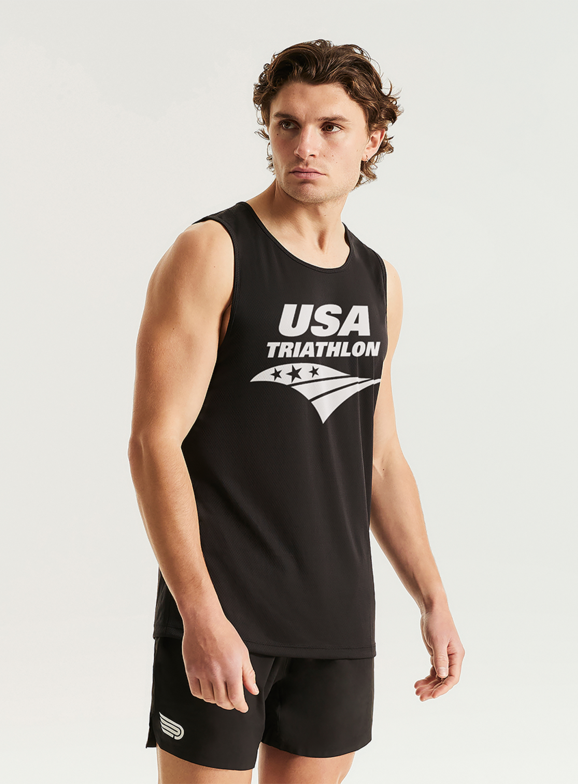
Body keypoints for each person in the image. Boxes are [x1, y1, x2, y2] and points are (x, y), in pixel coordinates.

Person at [126, 40, 464, 784]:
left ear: (373, 138)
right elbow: (154, 444)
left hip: (335, 617)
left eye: (331, 127)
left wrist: (432, 596)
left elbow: (380, 460)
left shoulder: (378, 281)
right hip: (226, 606)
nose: (305, 146)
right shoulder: (214, 251)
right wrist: (198, 614)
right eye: (287, 125)